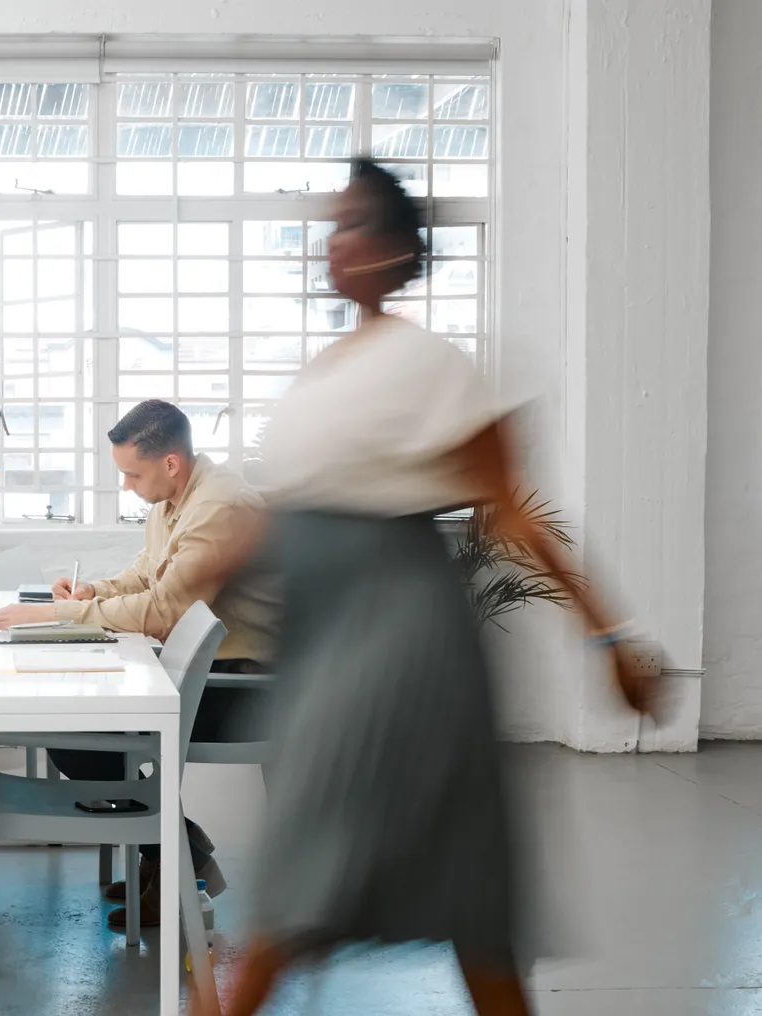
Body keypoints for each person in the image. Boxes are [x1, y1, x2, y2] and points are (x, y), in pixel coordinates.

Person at [219, 158, 659, 1016]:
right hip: (329, 644)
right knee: (461, 896)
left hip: (398, 646)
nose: (331, 242)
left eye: (350, 224)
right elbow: (283, 514)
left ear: (392, 248)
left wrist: (610, 637)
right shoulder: (331, 367)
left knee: (306, 879)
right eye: (331, 224)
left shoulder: (431, 364)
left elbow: (516, 510)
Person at [0, 399, 278, 929]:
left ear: (170, 462)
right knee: (72, 727)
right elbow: (148, 574)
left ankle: (175, 861)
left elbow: (164, 611)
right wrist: (93, 590)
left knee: (79, 733)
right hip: (208, 672)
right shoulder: (175, 499)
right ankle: (178, 853)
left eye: (131, 474)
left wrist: (59, 613)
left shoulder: (221, 507)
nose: (126, 487)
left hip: (246, 689)